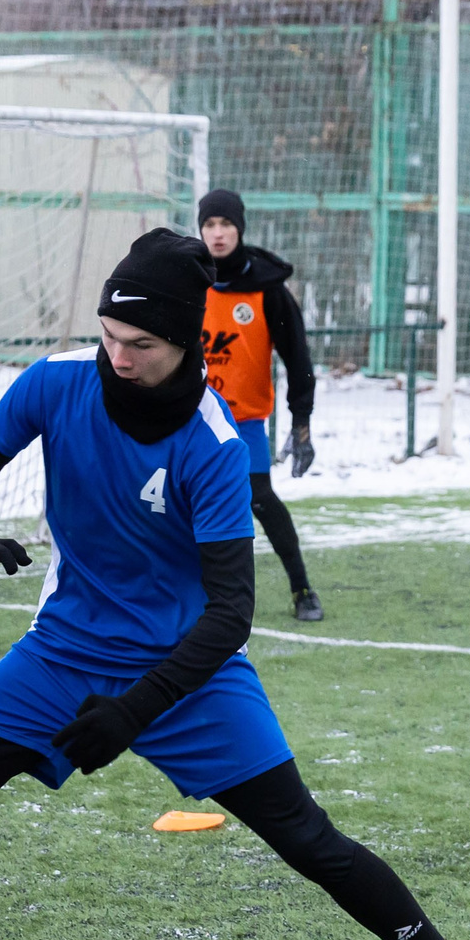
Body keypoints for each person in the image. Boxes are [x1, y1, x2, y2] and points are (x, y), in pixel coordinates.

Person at [0, 227, 470, 940]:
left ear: (187, 340)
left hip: (187, 671)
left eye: (141, 344)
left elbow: (231, 614)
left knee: (307, 838)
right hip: (62, 651)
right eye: (109, 337)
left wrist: (131, 714)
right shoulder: (53, 384)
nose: (118, 357)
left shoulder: (213, 444)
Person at [195, 188, 324, 623]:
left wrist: (300, 422)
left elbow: (298, 357)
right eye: (209, 225)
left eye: (225, 224)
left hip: (241, 420)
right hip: (187, 418)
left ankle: (302, 587)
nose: (217, 234)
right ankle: (179, 595)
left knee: (259, 499)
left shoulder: (267, 291)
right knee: (172, 502)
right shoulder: (188, 278)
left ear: (240, 229)